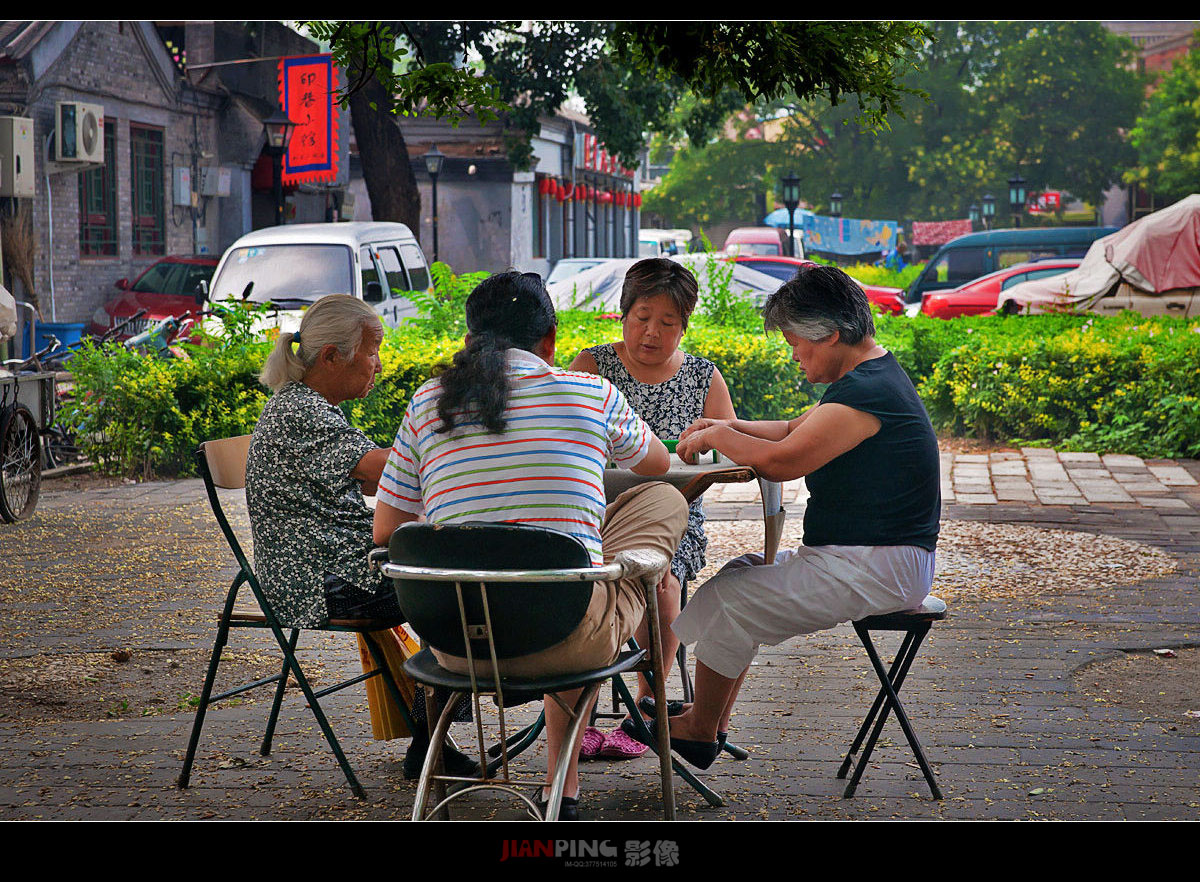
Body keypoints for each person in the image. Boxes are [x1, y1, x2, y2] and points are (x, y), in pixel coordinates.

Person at [372, 271, 688, 820]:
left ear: (470, 340)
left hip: (455, 642)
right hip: (569, 637)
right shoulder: (592, 393)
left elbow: (385, 533)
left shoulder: (426, 403)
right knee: (660, 503)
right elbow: (658, 466)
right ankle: (560, 789)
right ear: (551, 340)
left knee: (562, 567)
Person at [625, 263, 940, 770]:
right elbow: (794, 427)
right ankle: (709, 721)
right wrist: (725, 423)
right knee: (741, 574)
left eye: (798, 343)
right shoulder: (870, 378)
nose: (795, 356)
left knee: (734, 596)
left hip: (875, 566)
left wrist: (716, 436)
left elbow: (784, 460)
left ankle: (701, 728)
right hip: (872, 561)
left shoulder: (866, 394)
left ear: (832, 334)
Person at [244, 293, 475, 780]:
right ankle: (429, 739)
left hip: (337, 563)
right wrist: (457, 444)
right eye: (372, 351)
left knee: (459, 585)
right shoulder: (299, 412)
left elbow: (376, 480)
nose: (379, 364)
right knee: (461, 594)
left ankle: (431, 734)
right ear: (332, 356)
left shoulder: (311, 407)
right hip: (318, 579)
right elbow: (385, 467)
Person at [568, 257, 736, 759]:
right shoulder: (593, 366)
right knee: (581, 581)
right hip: (594, 514)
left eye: (667, 323)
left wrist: (700, 458)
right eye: (642, 317)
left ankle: (647, 705)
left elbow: (727, 454)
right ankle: (580, 709)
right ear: (622, 314)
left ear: (685, 326)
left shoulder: (704, 377)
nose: (651, 333)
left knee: (660, 582)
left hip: (675, 518)